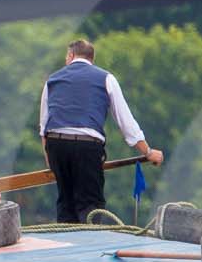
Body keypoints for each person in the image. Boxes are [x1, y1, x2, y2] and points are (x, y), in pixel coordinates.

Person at [39, 37, 163, 225]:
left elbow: (44, 125)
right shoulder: (105, 78)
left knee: (65, 203)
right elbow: (125, 121)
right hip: (87, 146)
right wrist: (147, 152)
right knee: (90, 204)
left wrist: (51, 161)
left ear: (71, 56)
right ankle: (88, 249)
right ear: (91, 59)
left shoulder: (52, 80)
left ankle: (66, 246)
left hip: (57, 144)